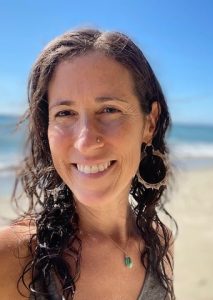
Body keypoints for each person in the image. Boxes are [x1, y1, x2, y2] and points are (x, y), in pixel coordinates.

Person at [0, 28, 176, 299]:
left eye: (109, 109)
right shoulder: (14, 257)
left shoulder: (160, 243)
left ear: (149, 123)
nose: (84, 142)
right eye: (65, 113)